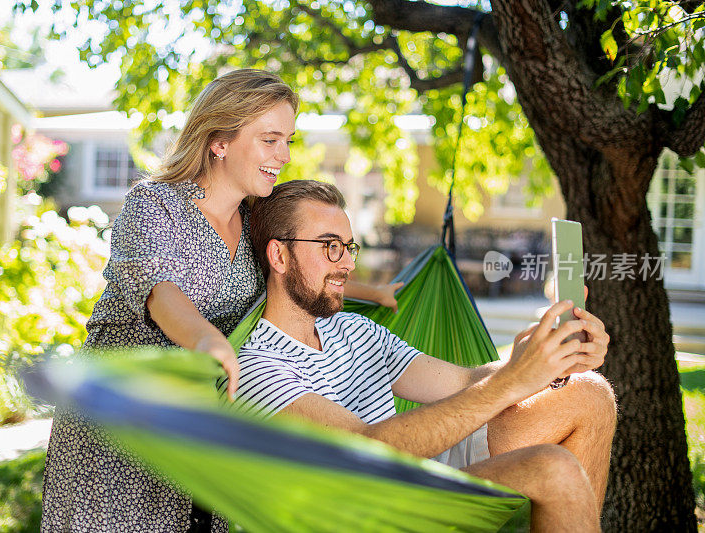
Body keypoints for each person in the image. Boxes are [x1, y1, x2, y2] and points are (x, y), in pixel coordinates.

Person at [41, 70, 400, 532]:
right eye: (270, 140)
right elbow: (158, 291)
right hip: (121, 432)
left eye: (287, 140)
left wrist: (375, 293)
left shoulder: (254, 222)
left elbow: (299, 270)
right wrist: (207, 340)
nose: (284, 156)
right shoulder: (156, 204)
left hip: (201, 431)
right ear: (220, 141)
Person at [228, 179, 617, 532]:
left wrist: (534, 359)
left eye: (349, 248)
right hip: (370, 514)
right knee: (554, 469)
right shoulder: (257, 366)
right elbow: (366, 448)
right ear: (278, 256)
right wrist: (512, 380)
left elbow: (463, 382)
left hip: (419, 482)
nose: (347, 264)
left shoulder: (352, 329)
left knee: (589, 393)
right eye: (330, 247)